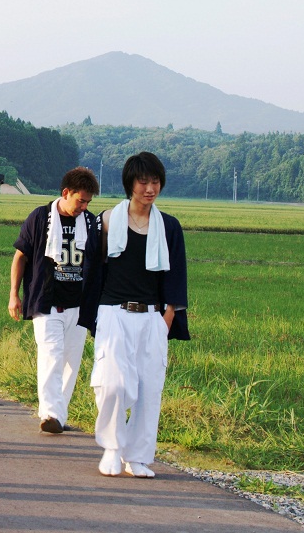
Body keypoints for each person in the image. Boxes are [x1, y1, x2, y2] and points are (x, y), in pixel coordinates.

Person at [79, 152, 189, 478]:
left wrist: (166, 318)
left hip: (152, 317)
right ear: (131, 184)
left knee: (149, 388)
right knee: (112, 384)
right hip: (113, 312)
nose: (150, 188)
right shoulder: (108, 220)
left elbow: (176, 275)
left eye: (155, 181)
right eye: (143, 181)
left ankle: (137, 455)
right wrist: (94, 315)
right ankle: (113, 447)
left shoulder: (168, 226)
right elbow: (92, 270)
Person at [9, 166, 101, 434]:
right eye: (80, 200)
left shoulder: (91, 223)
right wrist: (14, 295)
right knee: (51, 355)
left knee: (71, 362)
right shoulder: (40, 217)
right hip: (47, 302)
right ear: (66, 193)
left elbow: (98, 265)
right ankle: (50, 413)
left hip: (79, 305)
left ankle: (58, 415)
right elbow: (20, 257)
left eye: (87, 202)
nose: (83, 206)